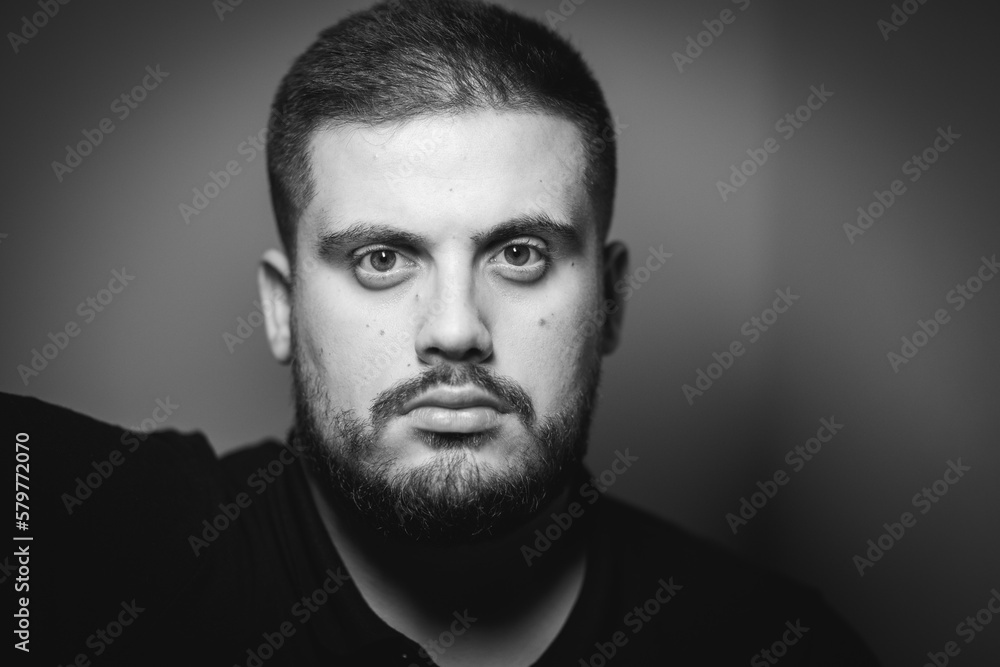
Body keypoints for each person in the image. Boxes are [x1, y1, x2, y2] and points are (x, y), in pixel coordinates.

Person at [10, 1, 879, 664]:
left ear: (610, 301)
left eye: (521, 253)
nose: (457, 331)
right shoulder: (79, 548)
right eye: (383, 258)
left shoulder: (773, 642)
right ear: (282, 307)